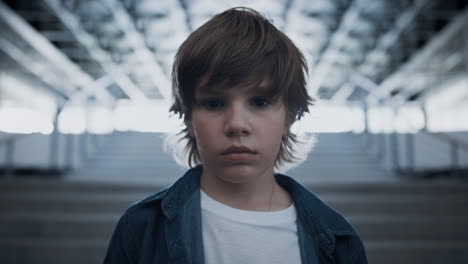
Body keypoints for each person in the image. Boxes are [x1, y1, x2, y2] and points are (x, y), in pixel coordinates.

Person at [104, 7, 367, 264]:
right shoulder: (140, 228)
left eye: (260, 102)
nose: (237, 124)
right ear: (189, 119)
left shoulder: (337, 240)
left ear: (289, 117)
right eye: (215, 103)